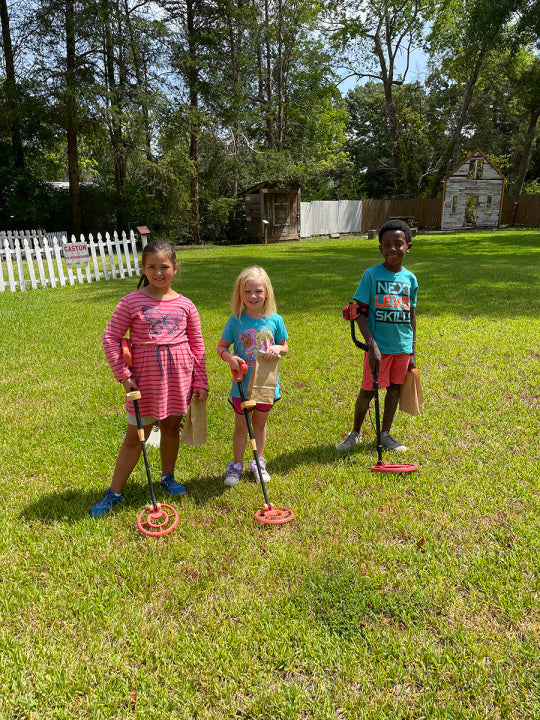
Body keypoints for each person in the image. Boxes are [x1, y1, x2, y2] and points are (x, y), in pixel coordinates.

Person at [90, 240, 209, 517]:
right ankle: (115, 491)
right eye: (152, 267)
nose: (158, 273)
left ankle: (167, 476)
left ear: (175, 268)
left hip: (179, 379)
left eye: (164, 267)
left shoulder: (187, 305)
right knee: (135, 437)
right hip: (145, 383)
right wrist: (123, 375)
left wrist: (200, 381)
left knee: (170, 428)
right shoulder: (131, 301)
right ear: (143, 268)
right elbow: (111, 337)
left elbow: (197, 345)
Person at [337, 219, 418, 453]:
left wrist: (412, 349)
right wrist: (371, 344)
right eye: (387, 244)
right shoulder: (371, 275)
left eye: (398, 243)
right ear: (380, 248)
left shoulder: (410, 279)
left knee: (394, 389)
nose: (392, 248)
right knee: (368, 391)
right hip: (378, 347)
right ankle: (355, 433)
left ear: (408, 246)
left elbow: (411, 315)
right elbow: (359, 312)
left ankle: (385, 435)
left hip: (401, 346)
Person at [217, 266, 289, 486]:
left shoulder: (275, 319)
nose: (253, 296)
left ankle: (258, 462)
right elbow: (221, 347)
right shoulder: (236, 320)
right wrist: (230, 358)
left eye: (258, 291)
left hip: (266, 385)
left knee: (259, 424)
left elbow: (284, 347)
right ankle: (235, 466)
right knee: (241, 426)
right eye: (247, 292)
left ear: (266, 292)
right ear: (240, 294)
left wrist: (277, 349)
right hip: (242, 384)